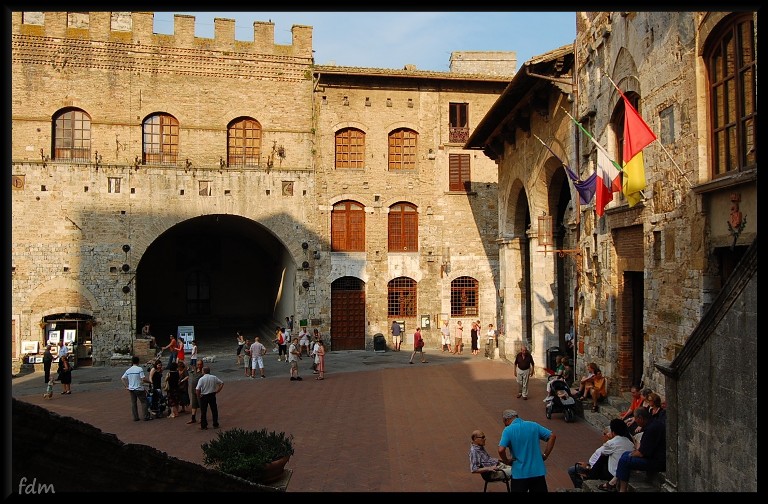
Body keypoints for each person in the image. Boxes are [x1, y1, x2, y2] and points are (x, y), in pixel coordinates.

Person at [497, 409, 556, 492]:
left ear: (506, 420)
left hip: (519, 473)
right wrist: (545, 455)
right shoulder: (533, 425)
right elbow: (552, 436)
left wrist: (506, 460)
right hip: (537, 471)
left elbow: (501, 450)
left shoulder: (508, 430)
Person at [568, 418, 635, 488]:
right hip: (621, 471)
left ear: (613, 432)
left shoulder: (611, 443)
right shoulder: (630, 443)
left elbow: (602, 456)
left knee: (572, 470)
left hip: (611, 473)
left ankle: (587, 479)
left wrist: (588, 467)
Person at [613, 407, 666, 493]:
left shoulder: (651, 429)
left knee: (624, 460)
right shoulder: (653, 424)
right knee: (625, 454)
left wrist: (632, 454)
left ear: (640, 418)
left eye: (636, 418)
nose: (635, 421)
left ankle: (622, 489)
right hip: (655, 457)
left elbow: (641, 453)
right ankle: (615, 482)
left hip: (657, 461)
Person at [121, 356, 151, 421]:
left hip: (131, 389)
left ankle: (135, 417)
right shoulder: (139, 369)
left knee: (133, 403)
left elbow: (122, 378)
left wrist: (126, 386)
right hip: (139, 388)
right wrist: (150, 382)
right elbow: (143, 378)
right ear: (138, 362)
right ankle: (146, 416)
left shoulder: (128, 370)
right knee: (144, 402)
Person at [195, 366, 224, 430]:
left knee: (203, 411)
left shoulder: (201, 379)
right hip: (212, 395)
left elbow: (197, 389)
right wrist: (218, 391)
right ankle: (215, 423)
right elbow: (221, 383)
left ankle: (204, 425)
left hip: (204, 395)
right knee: (214, 410)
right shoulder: (213, 377)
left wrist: (198, 395)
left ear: (203, 371)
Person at [186, 360, 205, 424]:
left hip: (200, 391)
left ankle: (202, 418)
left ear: (202, 364)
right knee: (194, 404)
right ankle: (193, 418)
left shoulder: (203, 371)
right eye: (198, 364)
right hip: (193, 390)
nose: (199, 366)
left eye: (200, 364)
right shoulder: (194, 370)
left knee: (201, 404)